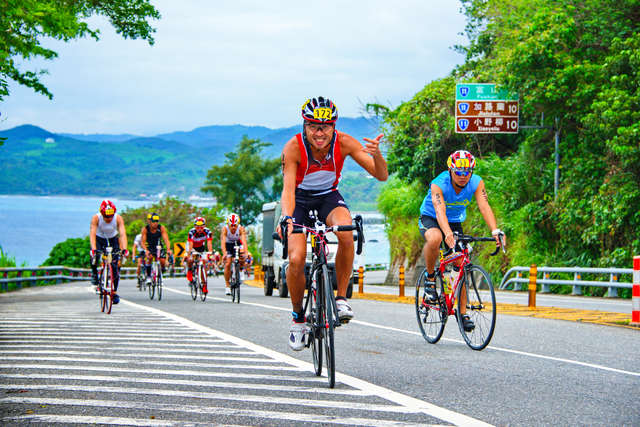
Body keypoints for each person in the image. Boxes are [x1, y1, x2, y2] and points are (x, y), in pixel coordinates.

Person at [278, 96, 388, 351]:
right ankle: (297, 318)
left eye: (326, 126)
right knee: (296, 259)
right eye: (313, 126)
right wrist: (288, 219)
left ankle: (340, 298)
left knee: (347, 233)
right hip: (300, 200)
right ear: (305, 126)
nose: (320, 132)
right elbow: (288, 190)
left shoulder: (345, 143)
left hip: (328, 197)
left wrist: (378, 155)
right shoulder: (293, 148)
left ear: (334, 127)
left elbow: (381, 175)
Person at [418, 150, 506, 332]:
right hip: (431, 217)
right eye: (458, 172)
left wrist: (495, 230)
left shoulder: (476, 182)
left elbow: (484, 206)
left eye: (467, 172)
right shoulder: (438, 184)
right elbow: (439, 211)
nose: (463, 176)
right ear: (451, 170)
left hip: (455, 220)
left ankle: (462, 312)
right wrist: (448, 234)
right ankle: (430, 278)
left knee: (462, 262)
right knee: (436, 238)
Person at [89, 200, 129, 304]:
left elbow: (123, 234)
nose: (109, 218)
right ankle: (95, 275)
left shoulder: (118, 218)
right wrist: (93, 249)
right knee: (95, 255)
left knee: (115, 266)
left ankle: (114, 292)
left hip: (113, 239)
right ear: (102, 214)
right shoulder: (96, 218)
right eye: (106, 217)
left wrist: (124, 249)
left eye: (111, 216)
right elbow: (92, 234)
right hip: (99, 239)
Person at [141, 212, 172, 286]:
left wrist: (168, 249)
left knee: (162, 261)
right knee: (150, 257)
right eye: (153, 222)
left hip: (158, 246)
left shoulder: (161, 228)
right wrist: (146, 250)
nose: (155, 223)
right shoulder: (145, 229)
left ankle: (161, 272)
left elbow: (166, 240)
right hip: (149, 247)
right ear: (150, 222)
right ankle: (148, 276)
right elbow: (143, 242)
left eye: (157, 221)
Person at [221, 213, 248, 295]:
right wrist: (224, 253)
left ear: (238, 224)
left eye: (235, 225)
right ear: (228, 224)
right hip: (228, 245)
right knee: (228, 263)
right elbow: (222, 242)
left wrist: (246, 252)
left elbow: (243, 241)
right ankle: (227, 286)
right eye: (231, 225)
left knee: (242, 255)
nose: (233, 227)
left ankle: (241, 270)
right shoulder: (225, 229)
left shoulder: (241, 229)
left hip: (237, 243)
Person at [185, 216, 213, 294]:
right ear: (195, 226)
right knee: (191, 259)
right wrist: (190, 253)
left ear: (204, 226)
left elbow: (209, 243)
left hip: (201, 247)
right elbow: (190, 244)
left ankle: (204, 285)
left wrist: (210, 253)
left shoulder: (208, 232)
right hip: (192, 246)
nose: (199, 229)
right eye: (197, 227)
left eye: (201, 227)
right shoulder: (191, 232)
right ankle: (190, 271)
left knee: (204, 263)